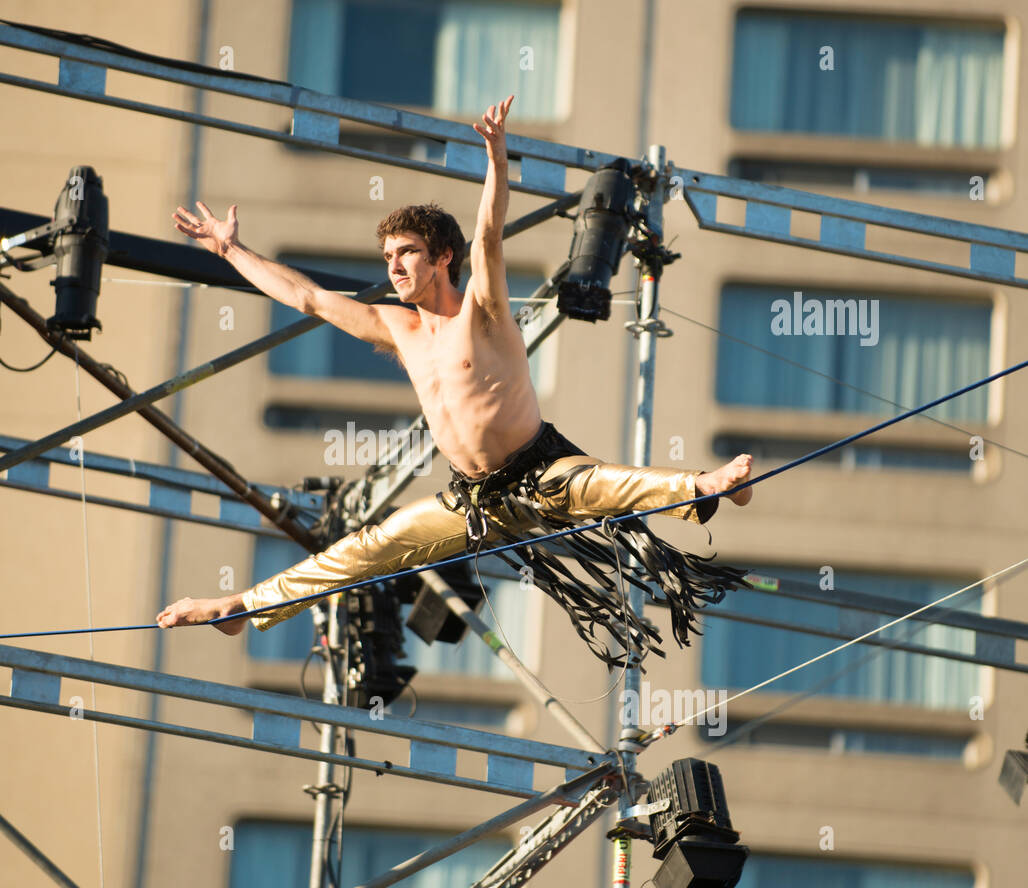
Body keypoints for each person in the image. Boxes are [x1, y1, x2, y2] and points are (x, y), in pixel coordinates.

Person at [159, 96, 752, 663]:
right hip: (472, 501)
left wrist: (497, 158)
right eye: (388, 255)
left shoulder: (483, 311)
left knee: (605, 485)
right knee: (367, 548)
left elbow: (490, 234)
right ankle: (241, 605)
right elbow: (309, 298)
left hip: (542, 472)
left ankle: (708, 488)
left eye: (407, 253)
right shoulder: (397, 328)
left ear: (443, 257)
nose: (393, 266)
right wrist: (231, 251)